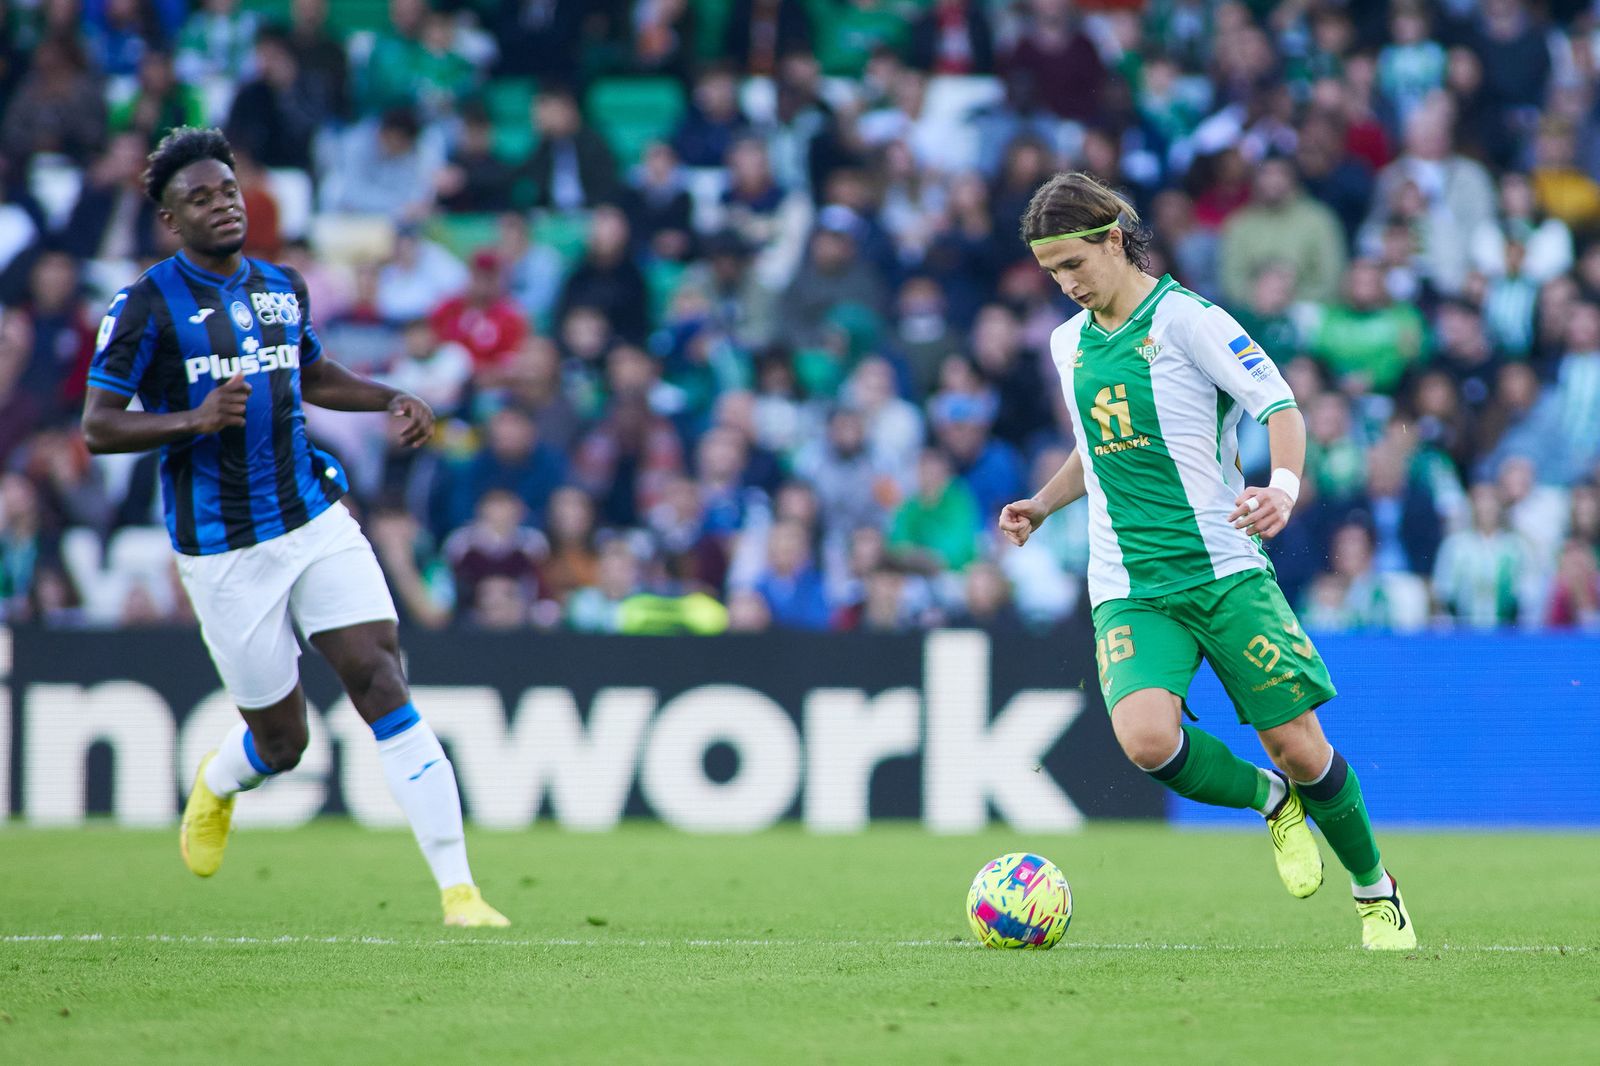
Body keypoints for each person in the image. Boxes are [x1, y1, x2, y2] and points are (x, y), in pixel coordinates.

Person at [79, 128, 508, 928]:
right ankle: (218, 780)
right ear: (171, 221)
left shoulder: (280, 285)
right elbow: (99, 427)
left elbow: (310, 376)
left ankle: (461, 894)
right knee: (283, 744)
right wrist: (195, 418)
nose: (222, 205)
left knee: (382, 677)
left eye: (228, 190)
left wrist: (390, 396)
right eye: (200, 198)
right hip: (223, 550)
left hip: (313, 517)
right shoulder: (143, 305)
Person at [998, 171, 1415, 950]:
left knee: (1300, 743)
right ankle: (1270, 802)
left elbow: (1280, 404)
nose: (1064, 286)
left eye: (1073, 266)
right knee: (1147, 741)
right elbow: (1096, 449)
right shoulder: (1066, 344)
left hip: (1224, 571)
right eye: (1052, 273)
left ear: (1114, 241)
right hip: (1130, 583)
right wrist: (1042, 505)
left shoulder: (1189, 320)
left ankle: (1375, 890)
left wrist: (1282, 488)